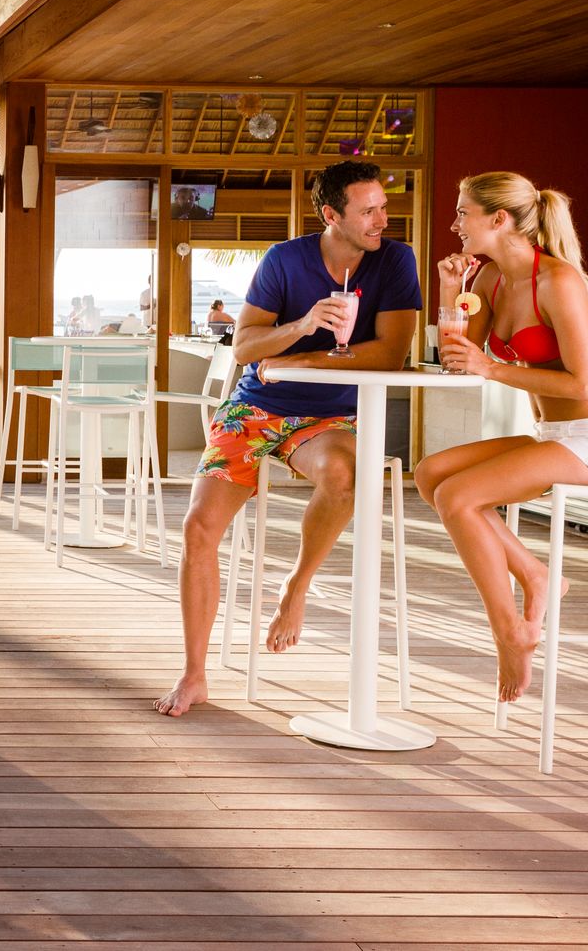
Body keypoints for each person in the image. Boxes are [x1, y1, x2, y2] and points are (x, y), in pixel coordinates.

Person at [155, 159, 420, 717]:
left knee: (346, 476)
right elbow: (245, 348)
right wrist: (300, 326)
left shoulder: (396, 261)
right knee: (199, 528)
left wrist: (307, 359)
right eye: (367, 210)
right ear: (331, 214)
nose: (381, 219)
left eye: (383, 207)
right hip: (254, 408)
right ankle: (195, 673)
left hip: (325, 421)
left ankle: (296, 587)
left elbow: (390, 352)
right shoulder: (285, 259)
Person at [415, 173, 588, 703]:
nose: (454, 223)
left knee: (458, 496)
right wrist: (453, 292)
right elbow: (461, 359)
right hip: (555, 433)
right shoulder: (490, 280)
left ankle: (511, 631)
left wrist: (492, 369)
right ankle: (536, 576)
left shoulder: (559, 282)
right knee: (432, 474)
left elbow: (584, 384)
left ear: (499, 220)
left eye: (462, 212)